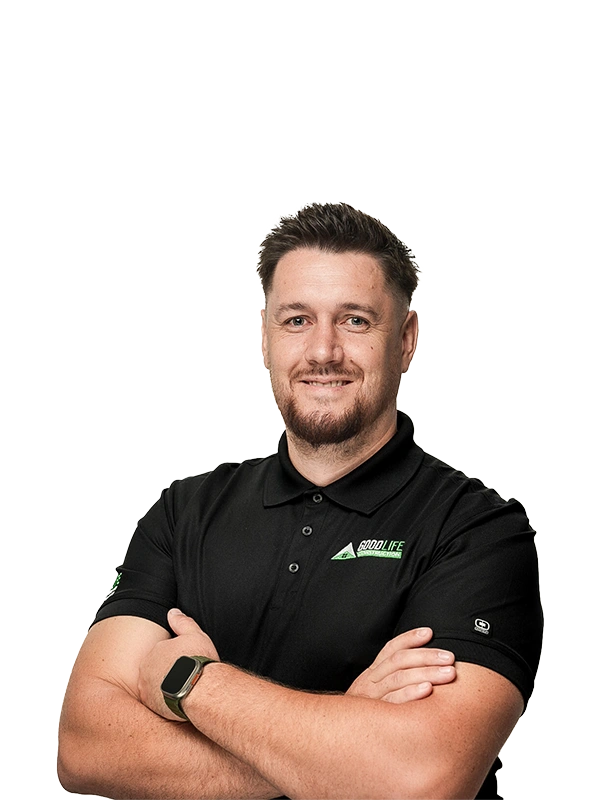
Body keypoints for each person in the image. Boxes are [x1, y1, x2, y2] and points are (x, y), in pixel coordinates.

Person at [57, 201, 543, 800]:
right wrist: (343, 737)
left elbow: (421, 779)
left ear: (406, 339)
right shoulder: (185, 512)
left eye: (355, 320)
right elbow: (85, 746)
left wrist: (191, 682)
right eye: (296, 320)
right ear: (266, 336)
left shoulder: (479, 531)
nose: (322, 351)